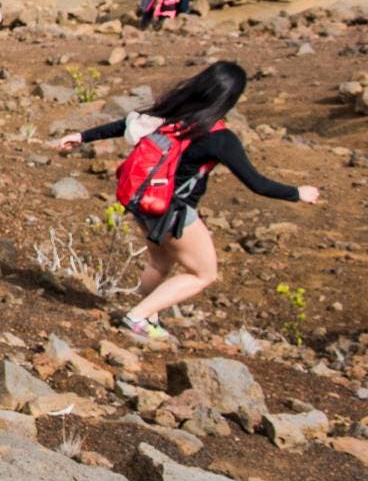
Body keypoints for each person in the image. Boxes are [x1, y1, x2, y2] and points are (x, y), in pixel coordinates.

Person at [55, 61, 320, 343]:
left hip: (142, 203)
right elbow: (257, 184)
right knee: (204, 274)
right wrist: (297, 193)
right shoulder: (220, 137)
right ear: (229, 98)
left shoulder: (172, 113)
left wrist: (81, 136)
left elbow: (126, 124)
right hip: (172, 212)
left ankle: (147, 316)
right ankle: (139, 316)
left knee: (160, 264)